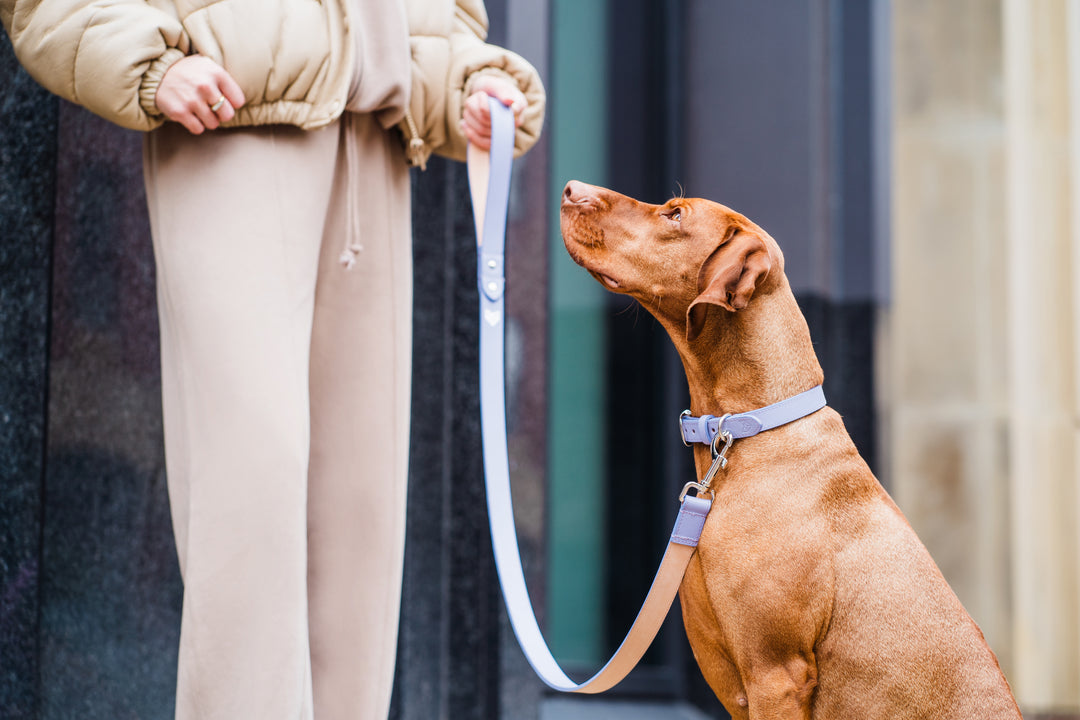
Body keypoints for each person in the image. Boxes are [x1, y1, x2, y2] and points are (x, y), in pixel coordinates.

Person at [0, 0, 544, 717]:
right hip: (226, 135)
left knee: (360, 513)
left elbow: (430, 24)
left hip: (370, 157)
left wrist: (465, 87)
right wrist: (150, 65)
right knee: (250, 490)